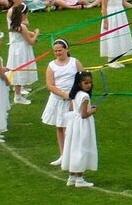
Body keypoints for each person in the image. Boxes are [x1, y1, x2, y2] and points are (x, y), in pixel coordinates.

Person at [42, 38, 83, 166]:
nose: (58, 53)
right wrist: (64, 94)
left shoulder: (74, 62)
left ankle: (72, 155)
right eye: (55, 51)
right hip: (58, 100)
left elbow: (83, 79)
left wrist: (73, 96)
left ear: (67, 49)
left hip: (73, 100)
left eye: (60, 50)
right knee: (60, 127)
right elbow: (50, 85)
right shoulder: (51, 65)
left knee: (70, 129)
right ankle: (63, 155)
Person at [59, 71, 98, 189]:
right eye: (86, 83)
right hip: (82, 126)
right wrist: (93, 110)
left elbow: (72, 108)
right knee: (81, 149)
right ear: (79, 83)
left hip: (74, 125)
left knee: (73, 147)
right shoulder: (85, 97)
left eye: (90, 83)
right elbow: (84, 114)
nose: (89, 85)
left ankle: (72, 177)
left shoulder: (75, 94)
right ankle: (79, 179)